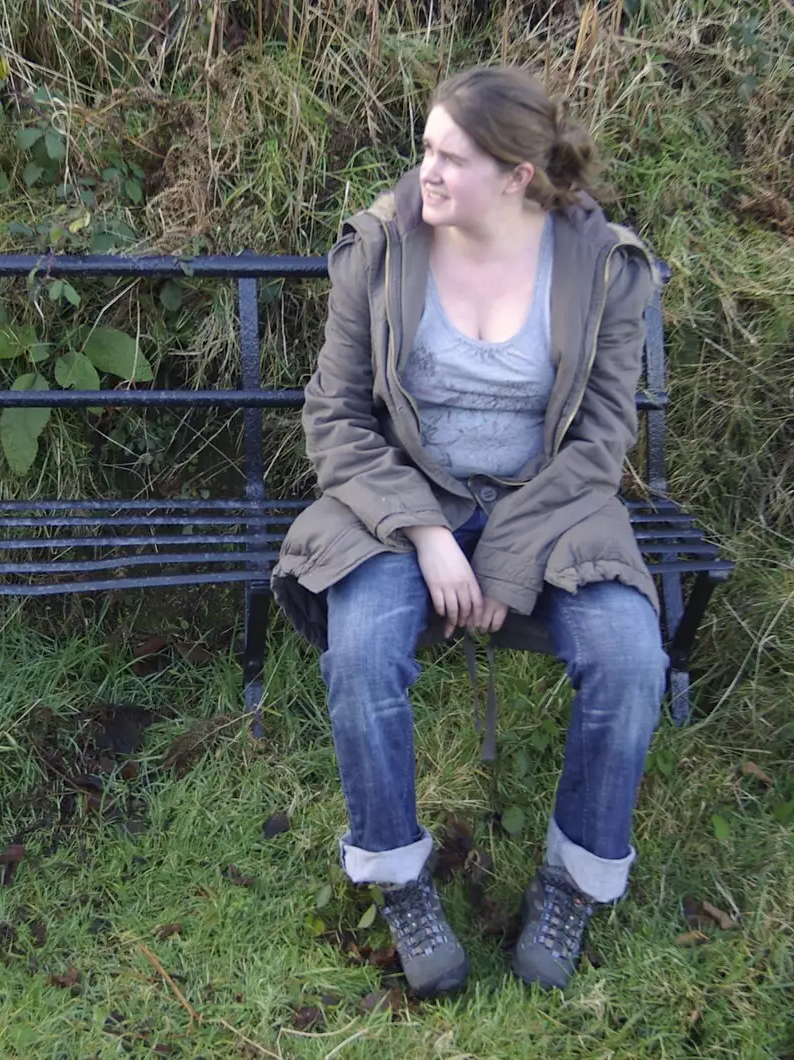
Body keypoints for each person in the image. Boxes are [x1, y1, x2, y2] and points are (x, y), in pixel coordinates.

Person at [271, 66, 669, 996]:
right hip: (401, 497)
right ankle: (397, 875)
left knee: (630, 657)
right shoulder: (382, 246)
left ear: (518, 175)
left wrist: (512, 551)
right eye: (424, 149)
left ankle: (573, 882)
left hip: (554, 506)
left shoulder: (600, 267)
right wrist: (426, 532)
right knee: (363, 650)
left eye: (450, 157)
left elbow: (601, 442)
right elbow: (333, 416)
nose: (426, 174)